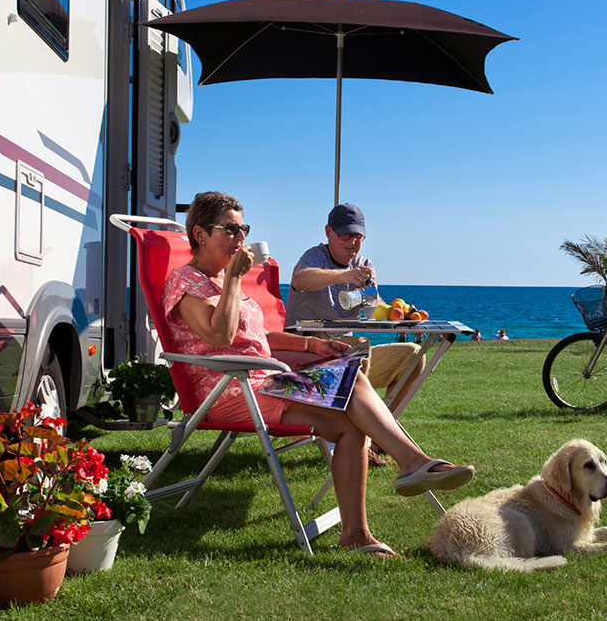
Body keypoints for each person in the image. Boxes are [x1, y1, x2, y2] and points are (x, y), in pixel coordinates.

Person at [162, 192, 473, 558]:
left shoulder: (225, 282)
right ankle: (412, 463)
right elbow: (220, 336)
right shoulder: (185, 280)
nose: (239, 237)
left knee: (350, 409)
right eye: (229, 229)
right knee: (351, 382)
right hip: (230, 389)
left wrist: (314, 346)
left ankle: (357, 532)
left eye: (243, 229)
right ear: (200, 234)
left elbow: (257, 337)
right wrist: (233, 279)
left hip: (264, 383)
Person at [285, 203, 426, 416]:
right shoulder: (315, 257)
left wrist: (398, 313)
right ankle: (363, 428)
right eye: (345, 235)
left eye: (358, 236)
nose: (353, 242)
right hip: (307, 356)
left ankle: (380, 427)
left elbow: (374, 304)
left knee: (414, 355)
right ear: (328, 232)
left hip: (347, 357)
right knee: (359, 349)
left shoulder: (364, 264)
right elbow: (300, 279)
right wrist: (343, 276)